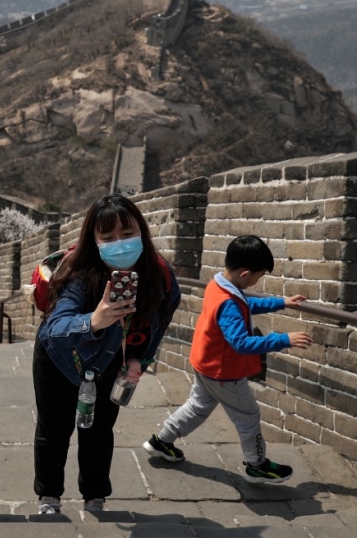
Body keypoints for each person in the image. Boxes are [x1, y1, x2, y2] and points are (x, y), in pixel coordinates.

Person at [32, 194, 180, 514]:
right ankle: (49, 498)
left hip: (108, 362)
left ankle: (95, 496)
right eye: (108, 237)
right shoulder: (80, 275)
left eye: (127, 234)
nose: (120, 244)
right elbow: (55, 328)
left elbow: (160, 320)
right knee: (54, 429)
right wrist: (95, 320)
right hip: (59, 359)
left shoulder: (158, 276)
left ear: (141, 231)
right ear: (94, 241)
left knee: (98, 431)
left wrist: (140, 358)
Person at [143, 235, 311, 483]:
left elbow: (245, 304)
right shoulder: (229, 301)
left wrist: (281, 302)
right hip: (224, 373)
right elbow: (241, 343)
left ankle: (161, 441)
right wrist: (283, 339)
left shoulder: (218, 284)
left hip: (205, 363)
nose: (257, 280)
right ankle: (257, 465)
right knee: (248, 416)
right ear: (245, 274)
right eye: (259, 276)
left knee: (196, 407)